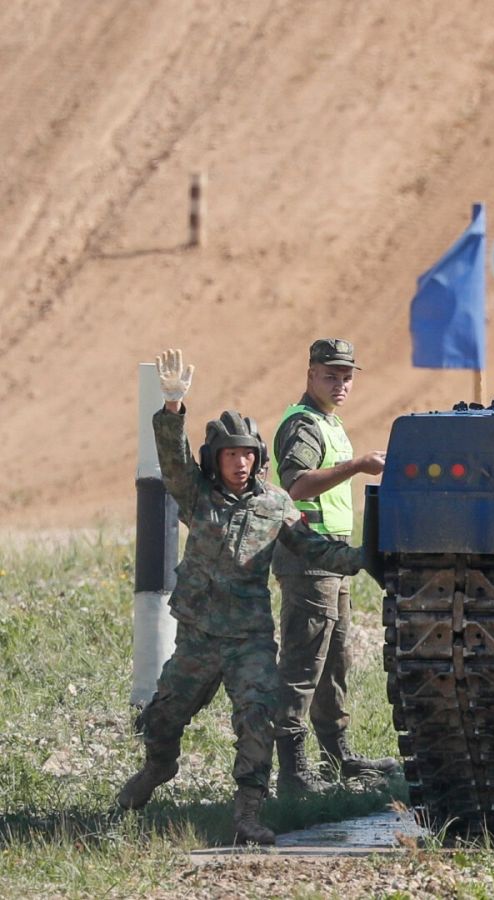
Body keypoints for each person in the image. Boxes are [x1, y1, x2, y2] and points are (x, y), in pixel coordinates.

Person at [117, 349, 367, 845]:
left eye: (249, 453)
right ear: (215, 459)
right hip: (198, 638)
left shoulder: (275, 505)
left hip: (249, 640)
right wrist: (172, 410)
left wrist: (369, 558)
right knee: (164, 718)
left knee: (257, 720)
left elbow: (314, 547)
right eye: (232, 454)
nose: (241, 462)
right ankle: (156, 770)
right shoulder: (197, 496)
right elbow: (171, 462)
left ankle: (248, 816)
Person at [270, 338, 393, 794]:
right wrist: (357, 464)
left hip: (332, 559)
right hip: (308, 559)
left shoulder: (328, 422)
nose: (340, 384)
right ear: (310, 375)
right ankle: (294, 771)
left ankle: (337, 756)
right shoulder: (304, 425)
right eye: (330, 376)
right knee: (304, 665)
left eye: (346, 377)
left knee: (333, 663)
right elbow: (297, 485)